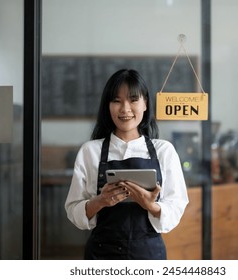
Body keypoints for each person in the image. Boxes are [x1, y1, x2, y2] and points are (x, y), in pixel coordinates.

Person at [65, 69, 189, 260]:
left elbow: (176, 206)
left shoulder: (164, 151)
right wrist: (100, 201)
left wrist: (152, 206)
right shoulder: (90, 151)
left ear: (145, 104)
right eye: (116, 100)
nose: (125, 109)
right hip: (101, 254)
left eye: (133, 99)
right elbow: (73, 210)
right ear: (108, 106)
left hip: (148, 254)